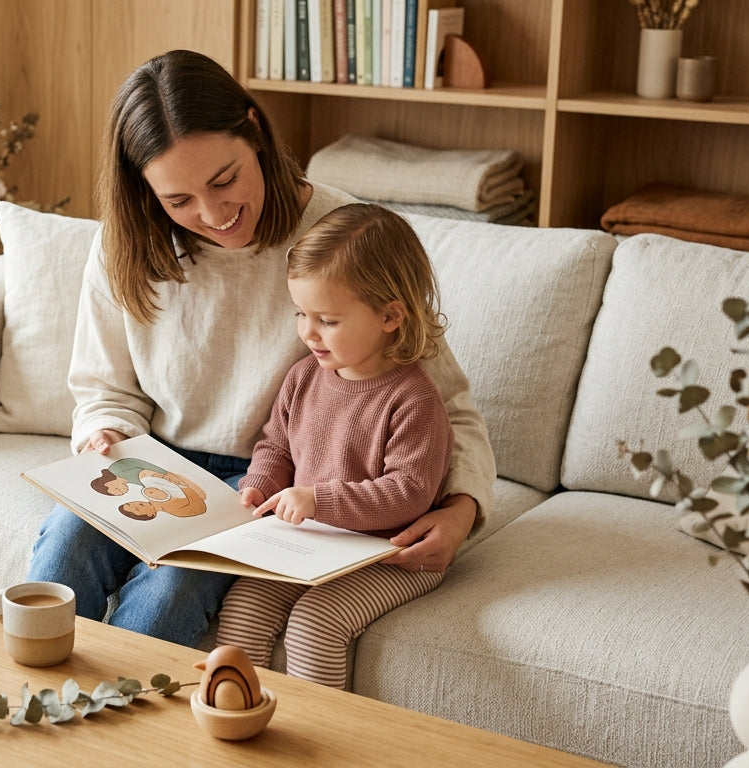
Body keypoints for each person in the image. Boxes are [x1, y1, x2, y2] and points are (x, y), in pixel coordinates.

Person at [25, 49, 495, 648]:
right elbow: (104, 391)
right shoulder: (127, 247)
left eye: (225, 180)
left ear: (254, 130)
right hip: (150, 462)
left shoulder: (340, 236)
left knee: (174, 592)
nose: (214, 214)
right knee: (65, 549)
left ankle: (122, 723)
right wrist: (103, 438)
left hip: (262, 480)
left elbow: (444, 402)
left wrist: (463, 508)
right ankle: (31, 712)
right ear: (145, 193)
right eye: (179, 201)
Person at [214, 203, 453, 689]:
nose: (307, 331)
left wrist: (319, 499)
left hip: (391, 555)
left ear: (390, 316)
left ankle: (319, 747)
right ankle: (240, 728)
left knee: (314, 626)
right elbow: (276, 445)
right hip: (313, 543)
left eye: (327, 319)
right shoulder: (304, 376)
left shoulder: (414, 398)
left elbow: (409, 492)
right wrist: (260, 485)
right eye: (301, 313)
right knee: (242, 609)